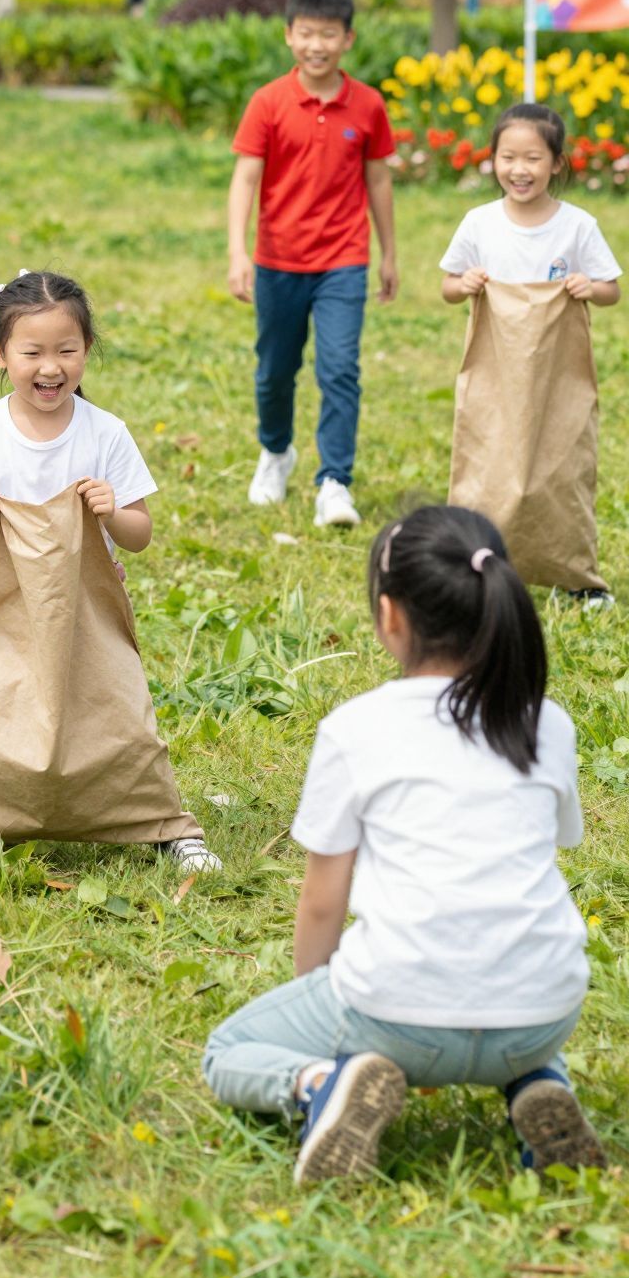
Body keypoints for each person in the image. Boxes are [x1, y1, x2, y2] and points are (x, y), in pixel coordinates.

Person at [203, 505, 605, 1187]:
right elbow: (551, 846)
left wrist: (324, 1005)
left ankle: (322, 1085)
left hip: (394, 1013)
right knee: (516, 1024)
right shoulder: (547, 723)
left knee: (228, 1049)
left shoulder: (357, 728)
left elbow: (322, 901)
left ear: (390, 618)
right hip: (543, 1011)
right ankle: (538, 1083)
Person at [0, 269, 221, 872]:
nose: (51, 367)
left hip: (85, 603)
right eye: (32, 352)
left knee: (114, 708)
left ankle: (163, 823)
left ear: (86, 350)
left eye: (67, 351)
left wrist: (112, 512)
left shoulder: (105, 433)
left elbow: (140, 535)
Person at [227, 0, 397, 529]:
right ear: (288, 36)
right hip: (277, 260)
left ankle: (335, 482)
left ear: (347, 38)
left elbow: (379, 183)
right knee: (274, 372)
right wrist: (238, 252)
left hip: (344, 260)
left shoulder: (368, 104)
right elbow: (244, 180)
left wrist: (389, 253)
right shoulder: (268, 102)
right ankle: (276, 452)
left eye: (328, 34)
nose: (316, 44)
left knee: (340, 368)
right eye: (306, 33)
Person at [441, 101, 620, 606]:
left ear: (558, 163)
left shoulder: (576, 226)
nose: (519, 170)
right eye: (508, 157)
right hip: (496, 369)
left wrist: (590, 286)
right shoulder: (480, 223)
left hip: (555, 371)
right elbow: (448, 287)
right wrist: (465, 283)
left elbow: (611, 289)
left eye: (534, 158)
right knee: (489, 453)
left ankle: (576, 576)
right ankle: (475, 564)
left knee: (560, 459)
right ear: (492, 159)